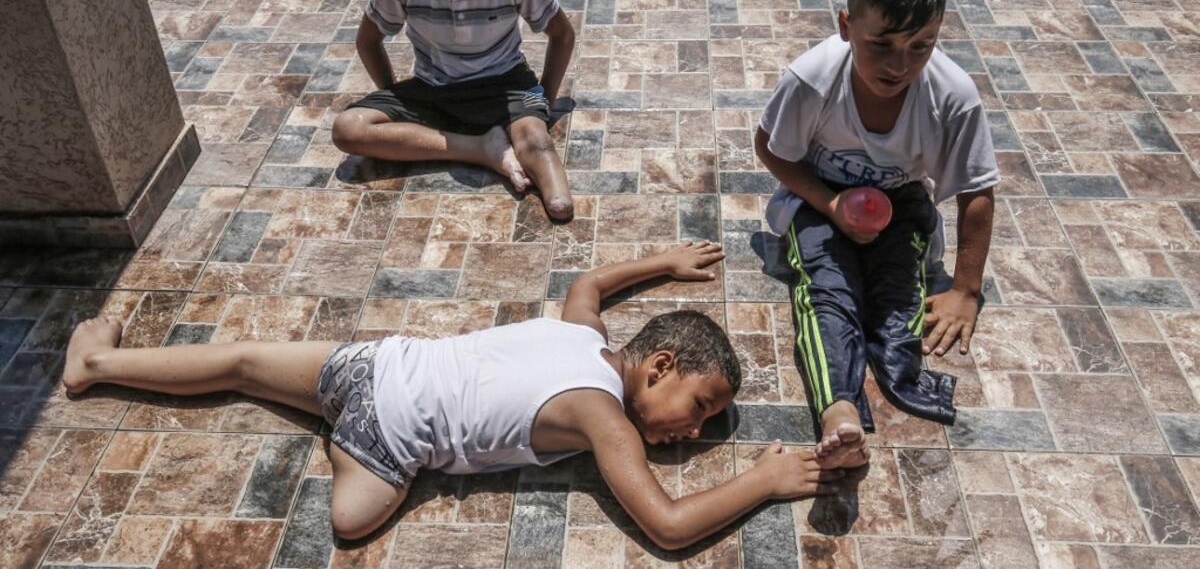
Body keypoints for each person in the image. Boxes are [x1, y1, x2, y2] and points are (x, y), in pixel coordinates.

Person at [62, 242, 844, 549]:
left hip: (377, 360)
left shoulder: (582, 333)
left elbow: (588, 282)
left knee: (239, 361)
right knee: (352, 520)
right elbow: (668, 527)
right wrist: (764, 480)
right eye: (701, 407)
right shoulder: (605, 417)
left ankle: (96, 362)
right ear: (659, 365)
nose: (694, 431)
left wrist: (662, 262)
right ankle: (346, 447)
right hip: (388, 434)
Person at [754, 0, 1000, 468]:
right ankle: (838, 408)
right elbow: (770, 147)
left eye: (920, 45)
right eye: (881, 43)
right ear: (846, 26)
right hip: (817, 195)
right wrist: (830, 204)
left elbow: (977, 190)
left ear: (938, 35)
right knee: (828, 288)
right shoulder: (812, 80)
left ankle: (900, 373)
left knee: (895, 296)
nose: (898, 64)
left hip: (901, 202)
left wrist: (965, 290)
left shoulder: (953, 97)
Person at [330, 0, 577, 221]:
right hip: (434, 87)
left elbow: (562, 34)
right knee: (347, 129)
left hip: (507, 85)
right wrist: (392, 95)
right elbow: (368, 40)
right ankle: (481, 149)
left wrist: (544, 100)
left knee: (551, 180)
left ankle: (483, 143)